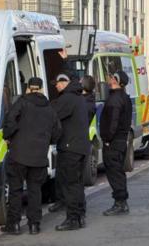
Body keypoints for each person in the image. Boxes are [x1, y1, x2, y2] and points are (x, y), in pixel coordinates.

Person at [0, 77, 62, 235]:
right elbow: (57, 132)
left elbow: (9, 121)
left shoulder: (21, 103)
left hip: (18, 155)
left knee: (16, 190)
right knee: (35, 191)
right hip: (39, 157)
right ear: (41, 89)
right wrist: (46, 142)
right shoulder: (49, 108)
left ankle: (13, 225)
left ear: (28, 88)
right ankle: (34, 225)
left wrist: (8, 136)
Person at [50, 73, 90, 231]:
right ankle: (79, 215)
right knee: (77, 184)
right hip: (80, 147)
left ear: (66, 83)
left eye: (59, 83)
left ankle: (73, 218)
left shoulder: (67, 98)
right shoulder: (79, 96)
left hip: (70, 147)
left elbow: (52, 115)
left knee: (70, 185)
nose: (56, 86)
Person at [100, 70, 133, 216]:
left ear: (117, 81)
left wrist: (107, 139)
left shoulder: (115, 100)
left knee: (115, 173)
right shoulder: (124, 98)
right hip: (120, 141)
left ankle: (120, 203)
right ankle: (122, 202)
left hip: (113, 143)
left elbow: (112, 122)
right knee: (118, 172)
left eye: (112, 77)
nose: (109, 78)